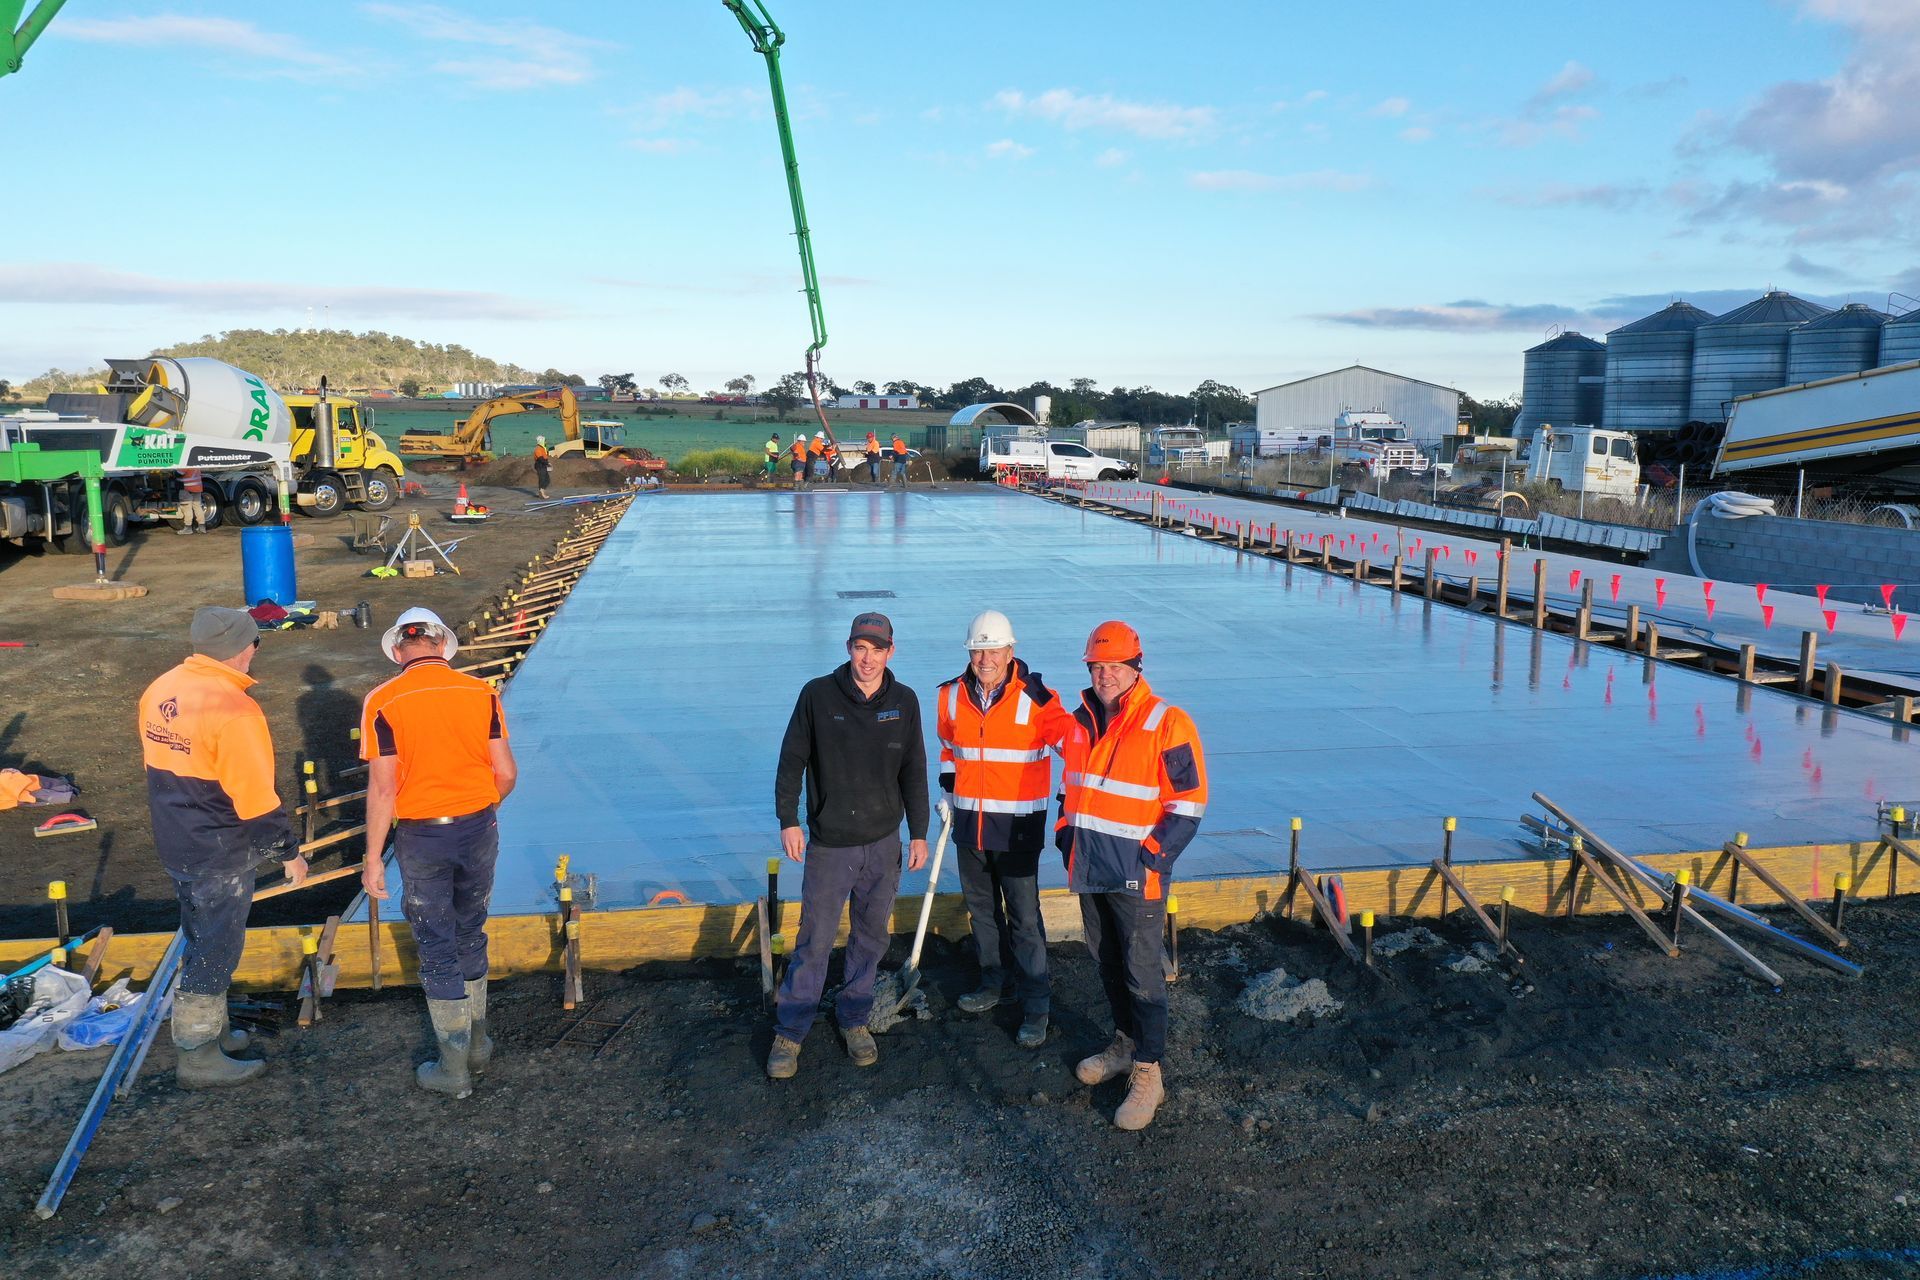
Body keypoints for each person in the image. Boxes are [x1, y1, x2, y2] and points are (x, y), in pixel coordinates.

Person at [139, 607, 305, 1088]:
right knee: (216, 948)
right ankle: (197, 1057)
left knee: (198, 935)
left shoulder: (162, 687)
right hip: (218, 847)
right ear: (243, 648)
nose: (256, 651)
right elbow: (255, 798)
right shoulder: (234, 710)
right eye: (256, 643)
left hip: (177, 836)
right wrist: (288, 853)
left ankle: (213, 1031)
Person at [359, 607, 518, 1099]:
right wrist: (479, 808)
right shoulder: (482, 693)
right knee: (471, 929)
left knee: (435, 942)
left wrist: (371, 857)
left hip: (423, 835)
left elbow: (383, 790)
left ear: (399, 649)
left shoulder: (383, 701)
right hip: (479, 827)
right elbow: (506, 773)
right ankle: (478, 1044)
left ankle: (453, 1068)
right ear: (441, 644)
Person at [1056, 620, 1207, 1131]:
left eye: (1114, 667)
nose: (1104, 676)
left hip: (1136, 874)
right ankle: (1124, 1043)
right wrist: (1065, 839)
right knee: (1106, 961)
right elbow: (1069, 792)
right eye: (1097, 667)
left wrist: (1151, 858)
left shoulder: (1167, 723)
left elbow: (1188, 805)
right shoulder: (1079, 724)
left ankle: (1149, 1071)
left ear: (1135, 668)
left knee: (1143, 974)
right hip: (1091, 866)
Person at [768, 612, 930, 1079]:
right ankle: (791, 1031)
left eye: (877, 649)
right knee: (814, 939)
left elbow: (914, 771)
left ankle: (855, 1017)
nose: (868, 657)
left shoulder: (904, 701)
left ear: (890, 652)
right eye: (861, 647)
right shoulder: (818, 695)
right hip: (830, 844)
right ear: (848, 648)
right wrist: (789, 820)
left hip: (883, 844)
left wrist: (918, 831)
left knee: (870, 936)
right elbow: (791, 760)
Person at [936, 610, 1070, 1049]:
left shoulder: (1037, 698)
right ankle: (994, 983)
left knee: (1024, 918)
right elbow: (948, 746)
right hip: (969, 826)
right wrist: (947, 789)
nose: (985, 658)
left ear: (1011, 651)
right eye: (978, 650)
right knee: (981, 912)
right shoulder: (951, 696)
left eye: (993, 650)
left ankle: (1036, 1005)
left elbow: (1073, 745)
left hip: (1017, 829)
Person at [177, 469, 208, 535]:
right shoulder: (194, 463)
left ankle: (188, 528)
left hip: (187, 488)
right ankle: (202, 528)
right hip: (197, 487)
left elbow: (178, 473)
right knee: (197, 507)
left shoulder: (184, 463)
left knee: (187, 508)